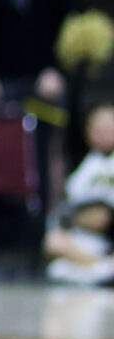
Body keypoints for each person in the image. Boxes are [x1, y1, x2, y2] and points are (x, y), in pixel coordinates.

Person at [44, 104, 114, 285]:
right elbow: (67, 210)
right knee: (55, 255)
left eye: (107, 128)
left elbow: (103, 218)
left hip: (107, 238)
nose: (101, 133)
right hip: (81, 238)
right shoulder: (85, 165)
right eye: (97, 128)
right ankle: (102, 268)